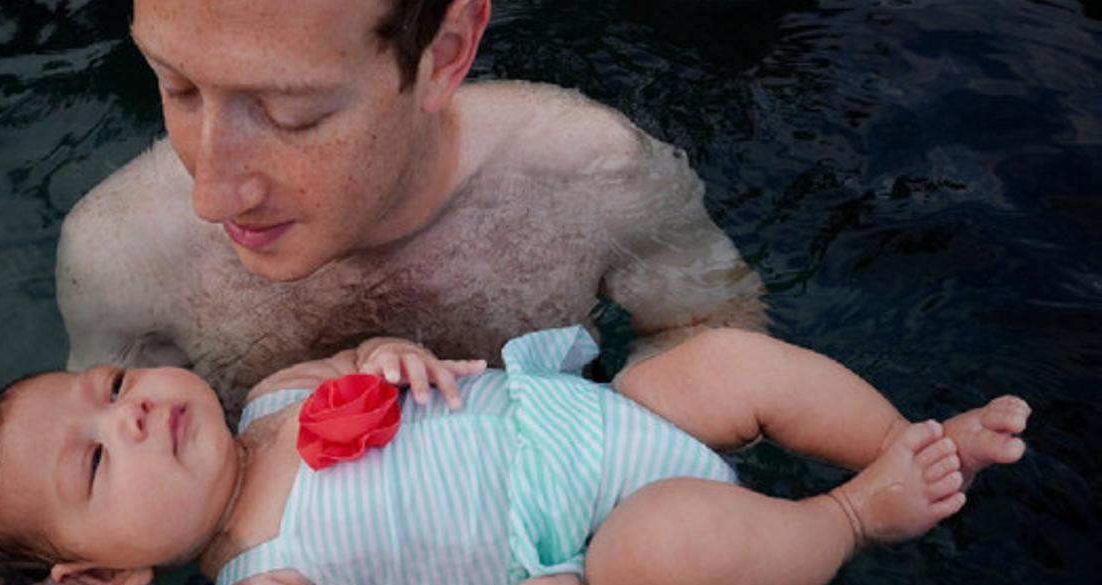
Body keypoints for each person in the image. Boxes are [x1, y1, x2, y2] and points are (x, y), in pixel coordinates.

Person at [0, 326, 1029, 585]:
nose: (128, 416)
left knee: (709, 363)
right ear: (111, 575)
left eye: (112, 387)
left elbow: (374, 361)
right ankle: (854, 515)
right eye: (93, 465)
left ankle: (911, 442)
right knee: (662, 551)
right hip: (591, 542)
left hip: (595, 415)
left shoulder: (271, 396)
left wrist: (391, 352)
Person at [56, 0, 767, 415]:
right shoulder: (123, 252)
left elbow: (713, 338)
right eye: (176, 87)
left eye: (290, 113)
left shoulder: (591, 175)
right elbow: (95, 461)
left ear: (446, 53)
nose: (210, 193)